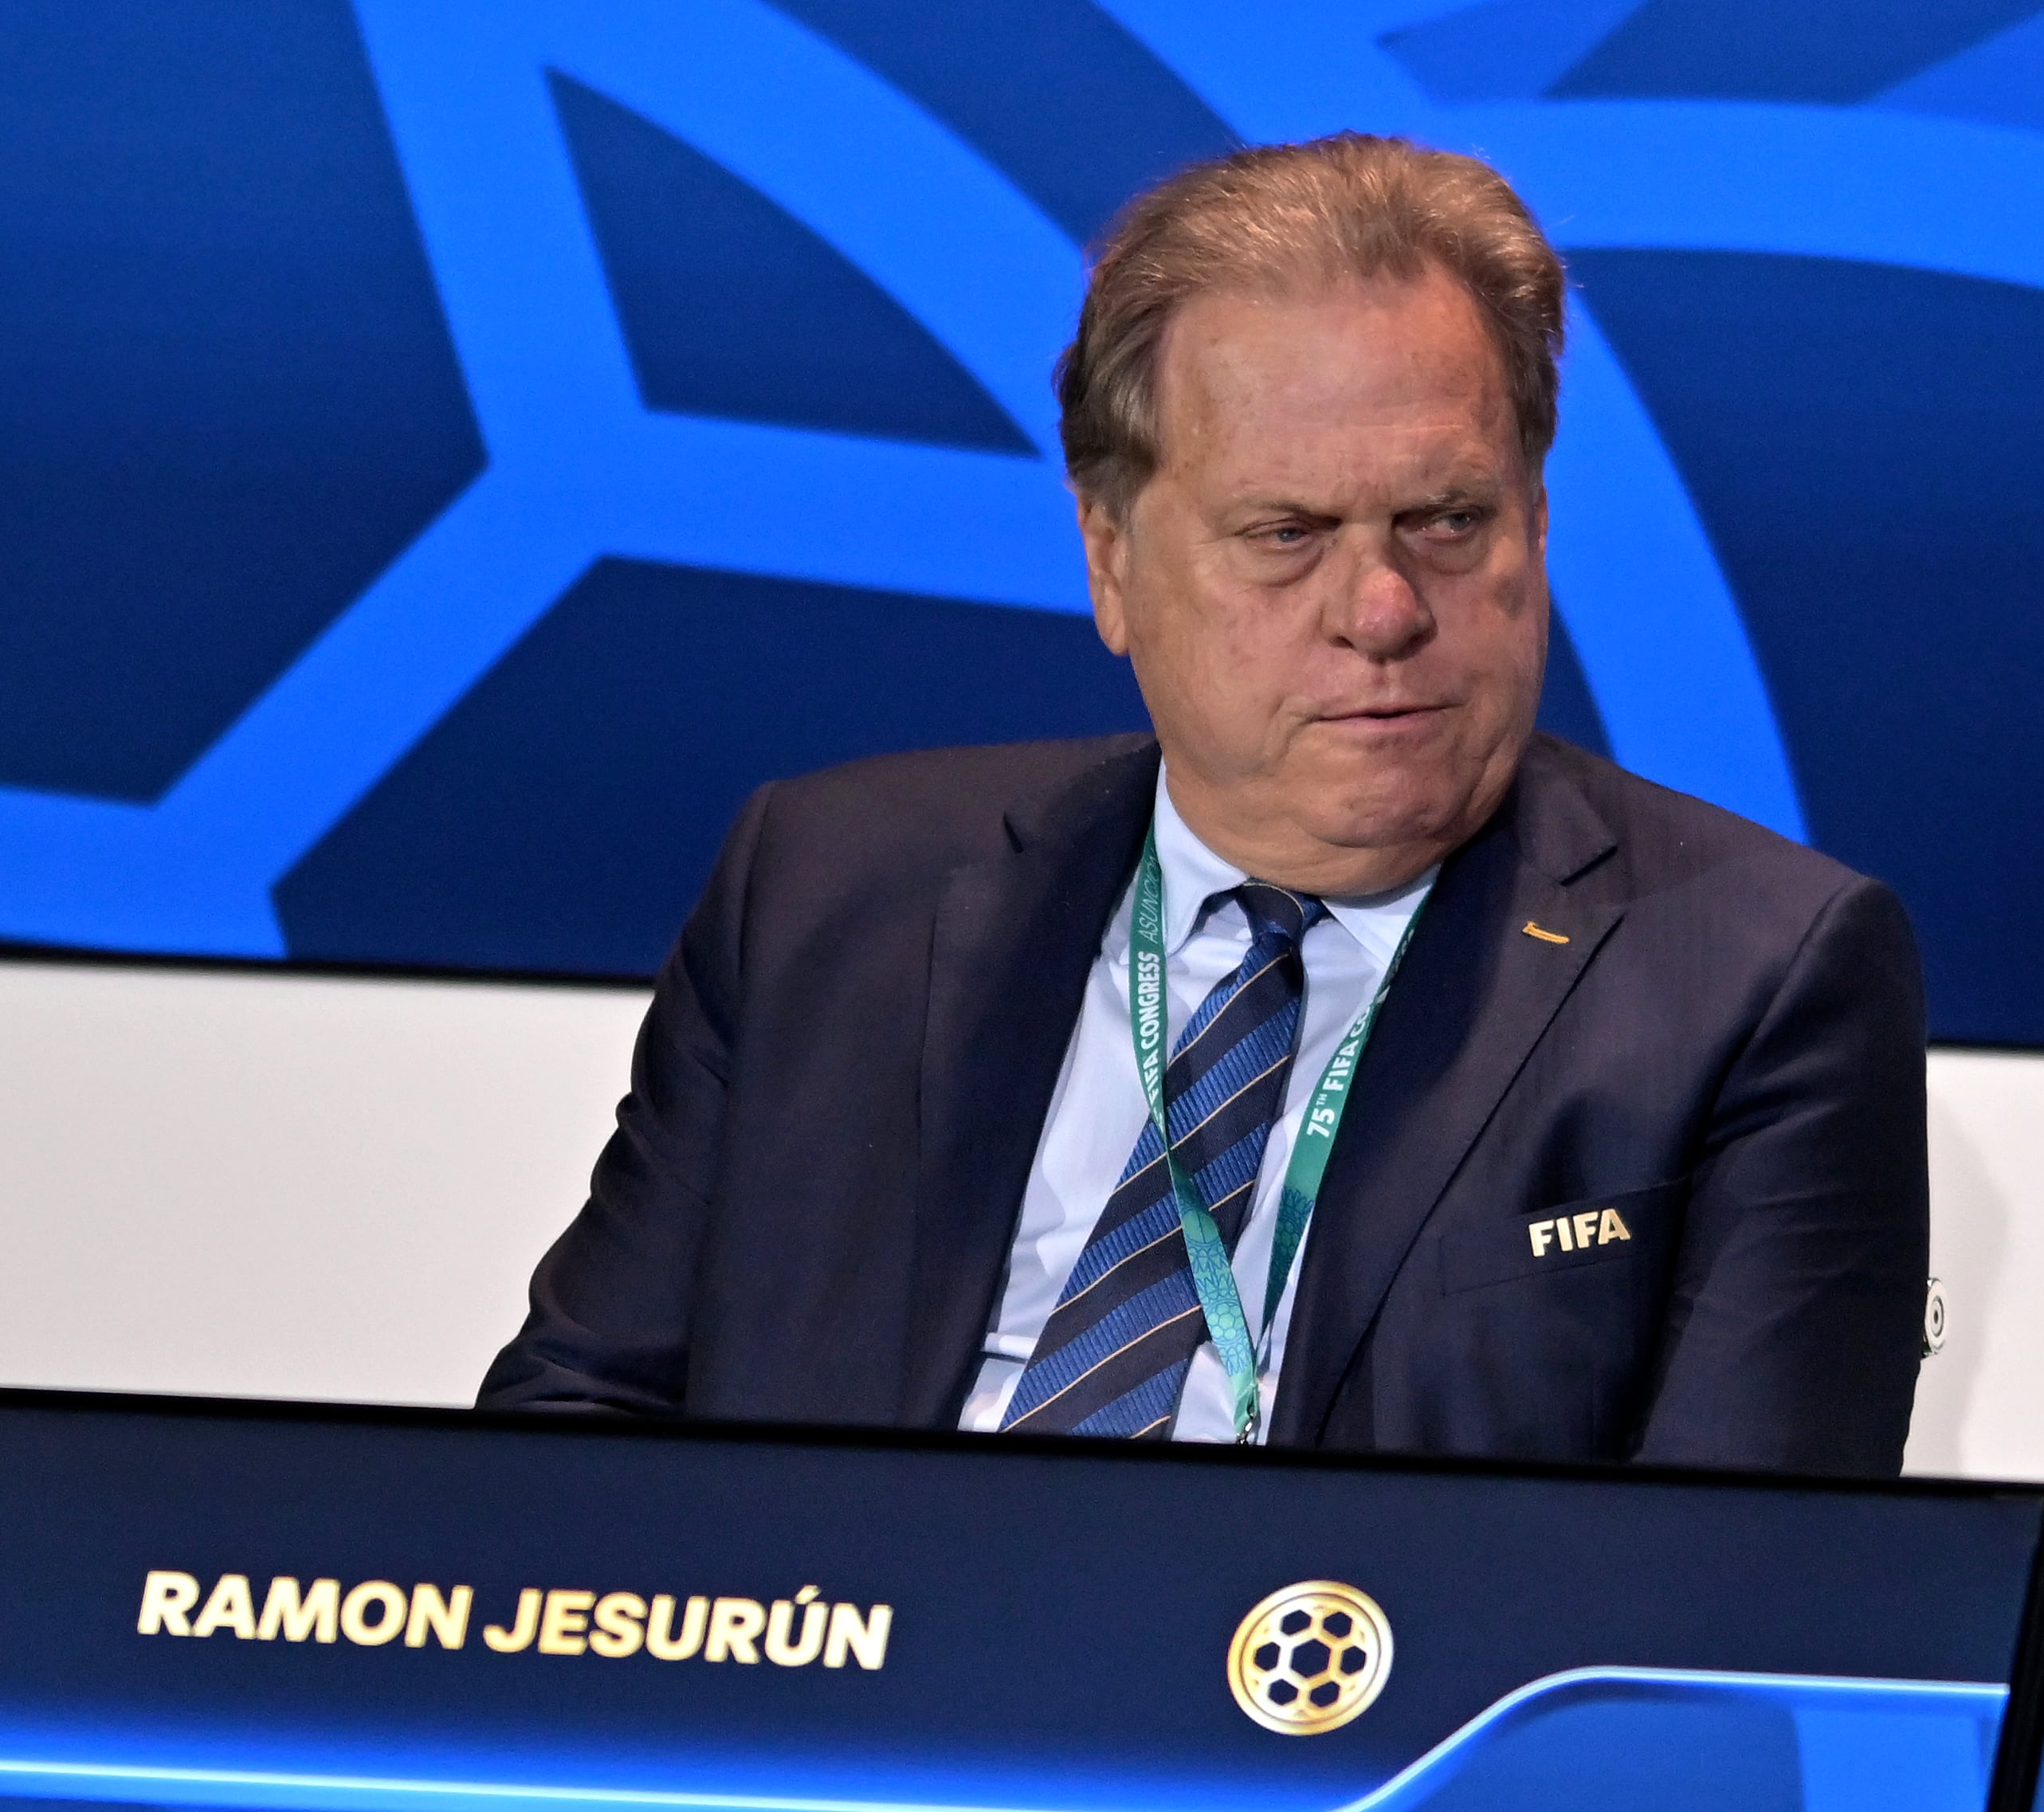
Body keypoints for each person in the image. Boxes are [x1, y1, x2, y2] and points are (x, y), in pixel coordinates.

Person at [481, 134, 1926, 1475]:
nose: (1378, 610)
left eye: (1446, 520)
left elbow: (1728, 1617)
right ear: (1109, 559)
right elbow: (574, 1441)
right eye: (1284, 535)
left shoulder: (1748, 979)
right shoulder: (827, 890)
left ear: (1535, 523)